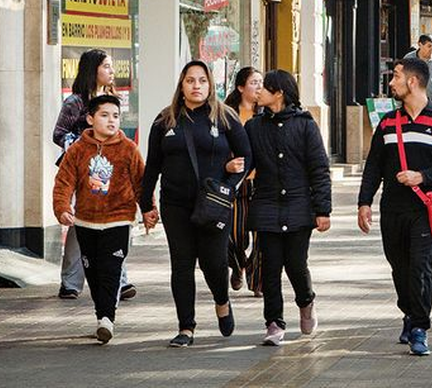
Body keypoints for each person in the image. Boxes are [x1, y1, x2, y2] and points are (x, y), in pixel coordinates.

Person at [140, 61, 252, 348]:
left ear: (210, 85)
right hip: (175, 205)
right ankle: (186, 327)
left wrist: (230, 183)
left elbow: (247, 157)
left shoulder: (224, 117)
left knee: (214, 263)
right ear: (182, 85)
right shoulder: (164, 121)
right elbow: (152, 166)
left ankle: (221, 300)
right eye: (190, 80)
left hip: (214, 204)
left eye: (202, 81)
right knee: (182, 264)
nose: (196, 86)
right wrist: (146, 204)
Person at [357, 57, 432, 357]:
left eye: (397, 77)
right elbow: (374, 165)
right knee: (399, 269)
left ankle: (419, 327)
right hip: (392, 209)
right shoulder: (389, 123)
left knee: (420, 268)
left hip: (424, 210)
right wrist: (364, 202)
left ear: (413, 81)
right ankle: (409, 311)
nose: (391, 83)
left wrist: (423, 177)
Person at [246, 70, 332, 346]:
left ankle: (306, 301)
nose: (258, 92)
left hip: (299, 205)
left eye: (264, 88)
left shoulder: (305, 125)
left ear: (279, 93)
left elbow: (319, 169)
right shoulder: (254, 126)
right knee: (270, 267)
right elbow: (244, 161)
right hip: (267, 204)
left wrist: (323, 210)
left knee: (296, 264)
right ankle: (274, 322)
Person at [52, 95, 146, 344]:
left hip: (118, 220)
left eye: (116, 116)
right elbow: (64, 183)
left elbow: (141, 183)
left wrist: (148, 210)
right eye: (104, 115)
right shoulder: (77, 151)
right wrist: (62, 208)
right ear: (90, 119)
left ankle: (107, 319)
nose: (111, 121)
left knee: (111, 270)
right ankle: (101, 314)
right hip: (86, 222)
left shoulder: (129, 150)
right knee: (92, 272)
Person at [53, 49, 135, 301]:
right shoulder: (75, 102)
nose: (112, 71)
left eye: (111, 67)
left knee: (117, 222)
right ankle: (70, 282)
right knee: (80, 225)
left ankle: (119, 281)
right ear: (93, 69)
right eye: (107, 66)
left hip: (113, 168)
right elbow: (59, 133)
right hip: (83, 172)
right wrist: (83, 146)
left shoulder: (112, 98)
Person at [224, 67, 264, 297]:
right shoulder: (228, 114)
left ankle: (257, 281)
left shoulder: (265, 113)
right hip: (236, 181)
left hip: (261, 182)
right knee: (235, 234)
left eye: (261, 82)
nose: (259, 87)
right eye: (253, 82)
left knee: (262, 235)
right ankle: (239, 263)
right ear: (241, 87)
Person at [405, 34, 432, 102]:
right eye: (429, 46)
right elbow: (402, 80)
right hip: (414, 102)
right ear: (420, 45)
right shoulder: (409, 59)